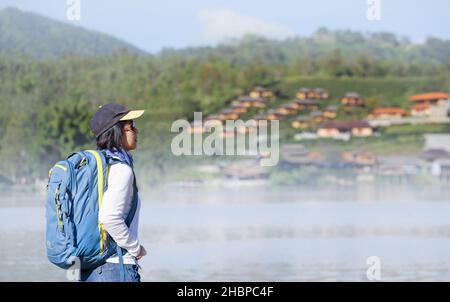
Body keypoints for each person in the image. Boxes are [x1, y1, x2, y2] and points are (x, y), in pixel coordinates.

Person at [80, 103, 147, 282]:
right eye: (131, 126)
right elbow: (109, 217)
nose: (136, 131)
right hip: (116, 268)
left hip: (91, 268)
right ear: (117, 132)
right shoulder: (121, 170)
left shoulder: (100, 168)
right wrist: (135, 248)